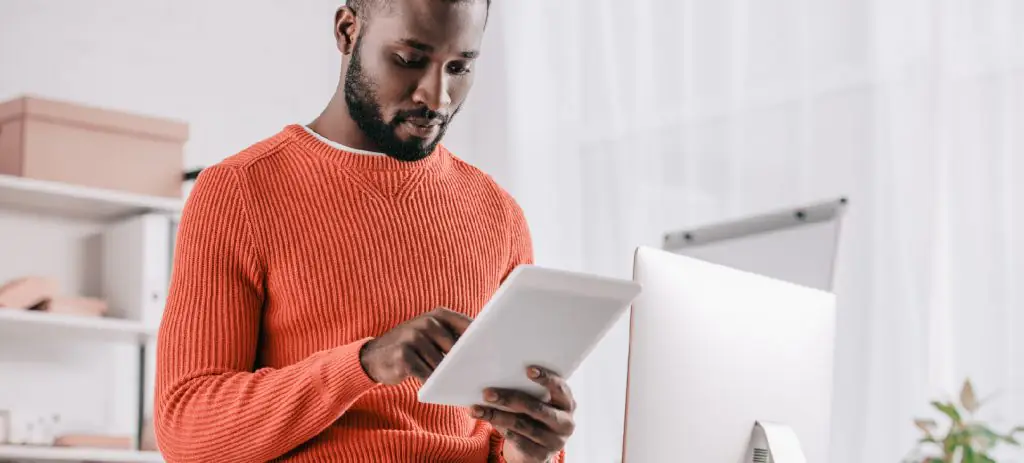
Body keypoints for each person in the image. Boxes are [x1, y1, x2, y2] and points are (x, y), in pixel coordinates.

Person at [153, 0, 576, 462]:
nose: (437, 98)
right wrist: (365, 363)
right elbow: (187, 432)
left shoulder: (499, 214)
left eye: (458, 67)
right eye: (409, 60)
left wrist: (529, 446)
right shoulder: (240, 191)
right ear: (348, 30)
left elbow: (501, 437)